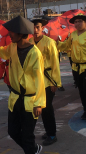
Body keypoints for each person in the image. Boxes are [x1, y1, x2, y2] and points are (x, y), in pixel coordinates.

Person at [0, 16, 46, 154]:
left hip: (30, 100)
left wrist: (39, 103)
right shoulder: (12, 47)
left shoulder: (35, 53)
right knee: (12, 131)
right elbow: (0, 52)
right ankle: (33, 149)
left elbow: (39, 80)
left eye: (12, 32)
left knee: (27, 136)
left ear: (21, 33)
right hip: (15, 98)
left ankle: (31, 150)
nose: (9, 34)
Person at [29, 18, 62, 146]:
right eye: (33, 27)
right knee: (38, 108)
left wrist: (56, 82)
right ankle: (48, 131)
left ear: (42, 28)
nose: (35, 30)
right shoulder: (29, 42)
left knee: (47, 108)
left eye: (38, 27)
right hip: (33, 81)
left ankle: (52, 134)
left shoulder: (49, 42)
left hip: (48, 80)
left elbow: (55, 63)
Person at [57, 14, 86, 120]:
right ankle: (85, 110)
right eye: (75, 22)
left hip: (85, 67)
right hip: (76, 68)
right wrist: (56, 43)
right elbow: (66, 45)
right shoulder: (73, 34)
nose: (77, 24)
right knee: (81, 90)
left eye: (79, 21)